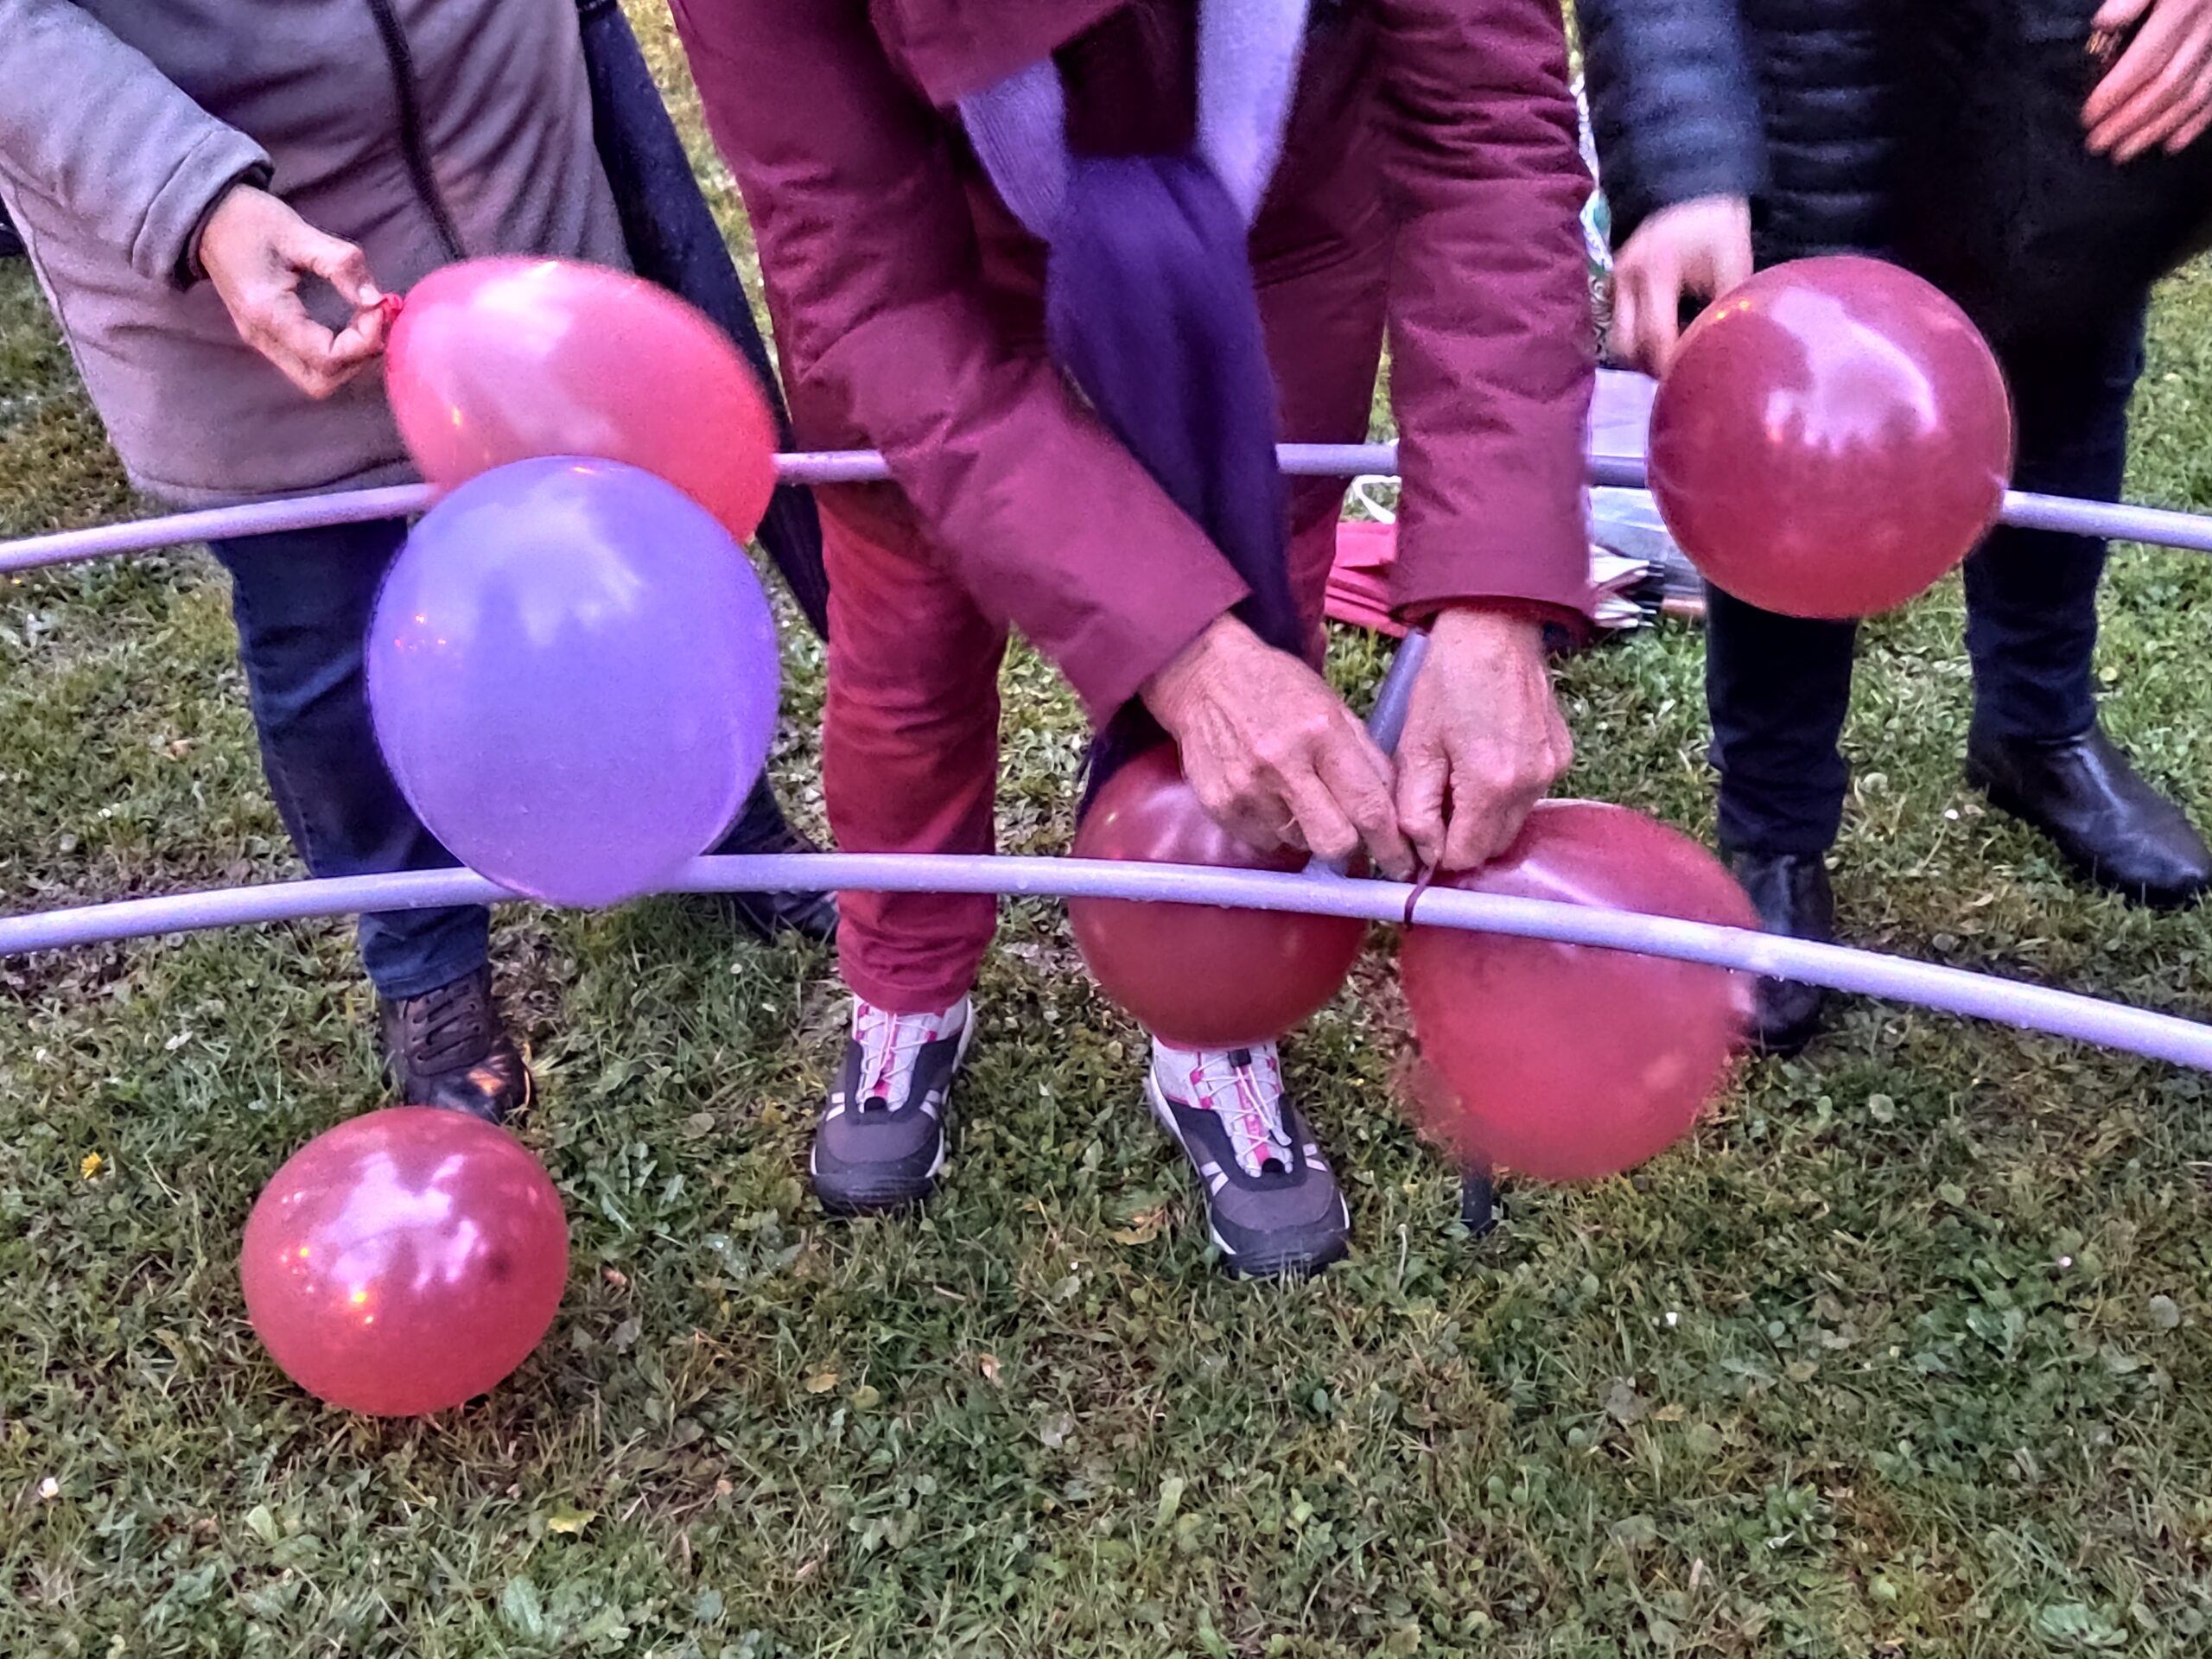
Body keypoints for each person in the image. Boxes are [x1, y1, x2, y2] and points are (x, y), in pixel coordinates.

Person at [669, 0, 1597, 1275]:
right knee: (909, 654)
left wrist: (1491, 590)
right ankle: (906, 981)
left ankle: (1210, 1013)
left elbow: (1483, 130)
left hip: (1277, 244)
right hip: (931, 279)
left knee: (1265, 610)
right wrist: (1180, 650)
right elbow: (867, 283)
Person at [0, 0, 834, 1124]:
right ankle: (425, 962)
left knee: (618, 551)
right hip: (243, 275)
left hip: (513, 186)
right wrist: (190, 195)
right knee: (326, 640)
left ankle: (717, 818)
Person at [1580, 0, 2212, 1056]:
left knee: (2065, 352)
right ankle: (1775, 834)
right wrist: (1684, 153)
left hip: (2073, 74)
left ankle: (2038, 731)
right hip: (1811, 70)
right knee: (1795, 432)